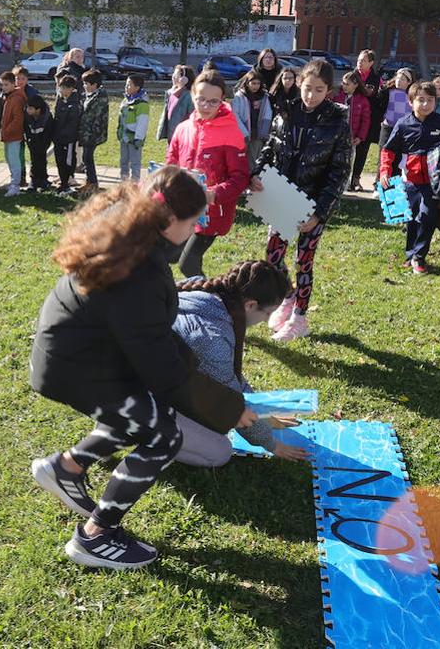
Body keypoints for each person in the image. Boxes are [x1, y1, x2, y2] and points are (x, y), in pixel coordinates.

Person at [28, 166, 210, 569]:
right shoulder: (138, 271)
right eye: (194, 220)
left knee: (143, 416)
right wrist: (223, 406)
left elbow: (150, 332)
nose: (198, 228)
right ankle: (95, 537)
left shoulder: (136, 234)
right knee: (162, 435)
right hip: (81, 367)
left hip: (80, 355)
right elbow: (159, 364)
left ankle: (65, 468)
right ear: (169, 221)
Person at [250, 59, 353, 343]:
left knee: (303, 262)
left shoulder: (337, 121)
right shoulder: (286, 111)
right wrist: (257, 173)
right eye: (307, 88)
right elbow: (271, 146)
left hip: (312, 202)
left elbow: (340, 172)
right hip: (282, 196)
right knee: (273, 258)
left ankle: (300, 318)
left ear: (328, 91)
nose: (311, 95)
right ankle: (288, 296)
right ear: (298, 83)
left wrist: (320, 213)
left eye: (318, 90)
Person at [171, 262, 311, 466]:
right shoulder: (212, 339)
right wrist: (272, 444)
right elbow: (231, 400)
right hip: (133, 399)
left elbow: (230, 379)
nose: (266, 320)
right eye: (267, 313)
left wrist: (264, 413)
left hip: (142, 382)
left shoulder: (201, 289)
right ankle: (138, 437)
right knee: (219, 451)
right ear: (251, 305)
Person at [378, 81, 440, 274]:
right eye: (420, 100)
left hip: (434, 182)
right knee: (411, 218)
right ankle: (410, 254)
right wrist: (385, 171)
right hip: (410, 181)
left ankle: (419, 257)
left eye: (430, 100)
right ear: (411, 101)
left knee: (428, 217)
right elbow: (388, 150)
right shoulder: (403, 123)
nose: (425, 104)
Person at [167, 70, 251, 278]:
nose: (206, 106)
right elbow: (171, 163)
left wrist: (213, 194)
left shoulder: (231, 132)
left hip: (212, 214)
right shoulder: (183, 128)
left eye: (213, 102)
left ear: (223, 100)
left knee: (188, 265)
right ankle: (172, 298)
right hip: (183, 209)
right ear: (192, 94)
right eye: (201, 99)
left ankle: (210, 301)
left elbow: (240, 177)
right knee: (167, 254)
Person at [352, 50, 384, 189]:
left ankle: (356, 178)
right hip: (352, 117)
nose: (359, 63)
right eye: (359, 60)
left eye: (363, 61)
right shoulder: (351, 76)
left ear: (371, 63)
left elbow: (372, 95)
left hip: (369, 119)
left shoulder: (376, 79)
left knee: (363, 149)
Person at [378, 67, 415, 178]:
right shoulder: (387, 92)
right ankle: (378, 183)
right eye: (398, 78)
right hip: (388, 127)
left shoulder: (412, 96)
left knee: (398, 159)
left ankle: (395, 183)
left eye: (403, 79)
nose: (399, 81)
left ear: (409, 82)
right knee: (384, 156)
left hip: (403, 130)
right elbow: (380, 107)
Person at [77, 69, 109, 195]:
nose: (84, 86)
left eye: (86, 84)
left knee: (87, 158)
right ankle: (89, 181)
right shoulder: (89, 95)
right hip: (86, 132)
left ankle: (93, 183)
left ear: (94, 85)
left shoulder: (100, 97)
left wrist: (92, 133)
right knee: (86, 158)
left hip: (93, 133)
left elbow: (97, 117)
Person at [341, 71, 372, 191]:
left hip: (352, 137)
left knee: (348, 161)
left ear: (355, 85)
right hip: (338, 135)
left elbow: (365, 121)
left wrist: (360, 137)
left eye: (347, 84)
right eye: (343, 83)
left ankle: (347, 184)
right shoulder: (338, 96)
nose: (344, 86)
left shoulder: (362, 101)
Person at [232, 71, 273, 160]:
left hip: (257, 133)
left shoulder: (264, 97)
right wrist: (244, 133)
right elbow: (235, 115)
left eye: (258, 83)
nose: (256, 86)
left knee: (255, 159)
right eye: (253, 83)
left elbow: (267, 114)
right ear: (247, 83)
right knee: (241, 158)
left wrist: (264, 131)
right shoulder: (239, 96)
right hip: (243, 132)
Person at [116, 74, 149, 181]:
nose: (126, 87)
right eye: (126, 85)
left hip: (134, 139)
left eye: (129, 85)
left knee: (135, 162)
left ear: (137, 87)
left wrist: (138, 138)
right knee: (123, 161)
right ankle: (124, 183)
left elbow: (142, 123)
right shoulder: (126, 100)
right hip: (124, 137)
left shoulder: (142, 104)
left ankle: (135, 184)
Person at [0, 70, 26, 196]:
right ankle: (13, 182)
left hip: (14, 135)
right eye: (2, 85)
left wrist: (7, 131)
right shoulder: (8, 96)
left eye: (6, 85)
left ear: (13, 84)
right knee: (9, 159)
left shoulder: (17, 98)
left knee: (14, 161)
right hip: (8, 135)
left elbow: (17, 119)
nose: (3, 87)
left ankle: (15, 186)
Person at [156, 65, 196, 143]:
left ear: (184, 78)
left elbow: (192, 116)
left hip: (183, 136)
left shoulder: (189, 96)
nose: (173, 77)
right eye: (173, 74)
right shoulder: (171, 93)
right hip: (171, 134)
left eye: (176, 75)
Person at [24, 95, 54, 193]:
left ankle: (43, 180)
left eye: (30, 108)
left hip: (44, 141)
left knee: (41, 159)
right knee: (34, 160)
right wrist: (29, 141)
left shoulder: (47, 117)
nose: (28, 110)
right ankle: (33, 180)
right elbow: (26, 130)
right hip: (32, 140)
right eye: (27, 107)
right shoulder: (27, 116)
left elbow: (49, 132)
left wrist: (43, 144)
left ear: (38, 109)